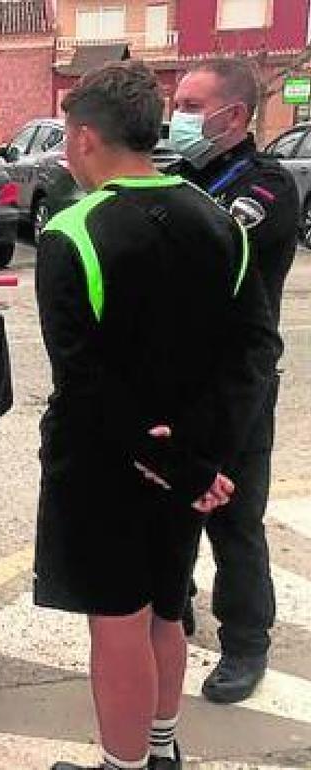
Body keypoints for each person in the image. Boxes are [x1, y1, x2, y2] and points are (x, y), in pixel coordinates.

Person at [33, 61, 278, 770]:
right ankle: (162, 750)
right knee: (166, 608)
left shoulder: (73, 232)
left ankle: (124, 764)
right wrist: (205, 456)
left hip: (107, 466)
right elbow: (255, 348)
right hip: (191, 465)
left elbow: (84, 381)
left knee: (117, 622)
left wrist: (165, 455)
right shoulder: (218, 221)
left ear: (82, 138)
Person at [167, 58, 300, 704]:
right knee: (173, 502)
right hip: (178, 381)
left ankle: (246, 642)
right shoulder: (182, 175)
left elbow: (216, 250)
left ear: (234, 116)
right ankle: (175, 609)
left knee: (235, 518)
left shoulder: (265, 184)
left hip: (238, 385)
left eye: (192, 103)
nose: (178, 112)